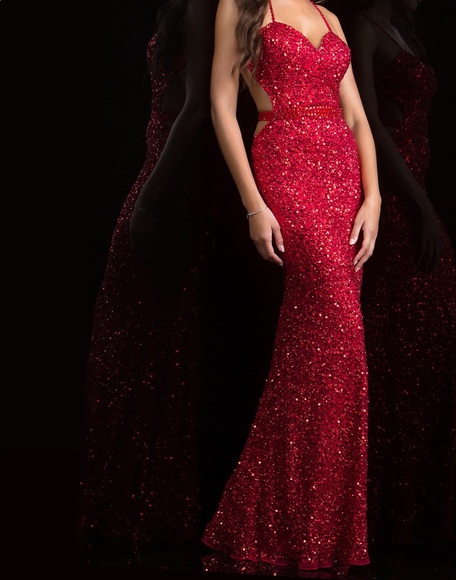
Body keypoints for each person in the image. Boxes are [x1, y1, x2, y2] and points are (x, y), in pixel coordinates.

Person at [201, 0, 381, 570]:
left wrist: (374, 197)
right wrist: (253, 204)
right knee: (339, 334)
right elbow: (221, 105)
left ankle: (300, 523)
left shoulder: (329, 16)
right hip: (286, 161)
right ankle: (295, 519)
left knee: (318, 350)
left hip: (344, 175)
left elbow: (356, 117)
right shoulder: (241, 5)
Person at [77, 0, 216, 561]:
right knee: (133, 336)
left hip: (171, 179)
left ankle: (147, 501)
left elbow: (197, 106)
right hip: (159, 168)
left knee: (149, 336)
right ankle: (126, 498)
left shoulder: (203, 6)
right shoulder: (178, 7)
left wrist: (150, 198)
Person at [347, 0, 456, 557]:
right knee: (398, 340)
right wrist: (418, 205)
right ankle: (384, 509)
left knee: (428, 340)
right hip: (391, 198)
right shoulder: (361, 27)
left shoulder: (399, 29)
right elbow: (368, 123)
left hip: (415, 190)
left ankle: (418, 508)